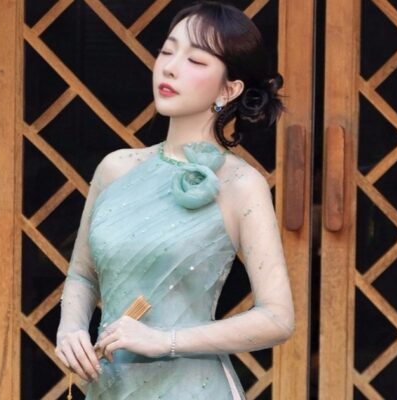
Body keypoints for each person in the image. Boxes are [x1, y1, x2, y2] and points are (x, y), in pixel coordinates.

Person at [54, 1, 295, 399]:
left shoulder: (240, 185)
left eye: (195, 60)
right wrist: (71, 329)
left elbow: (278, 318)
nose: (169, 67)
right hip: (109, 386)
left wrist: (164, 340)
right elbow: (82, 274)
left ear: (229, 89)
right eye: (167, 52)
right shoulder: (115, 169)